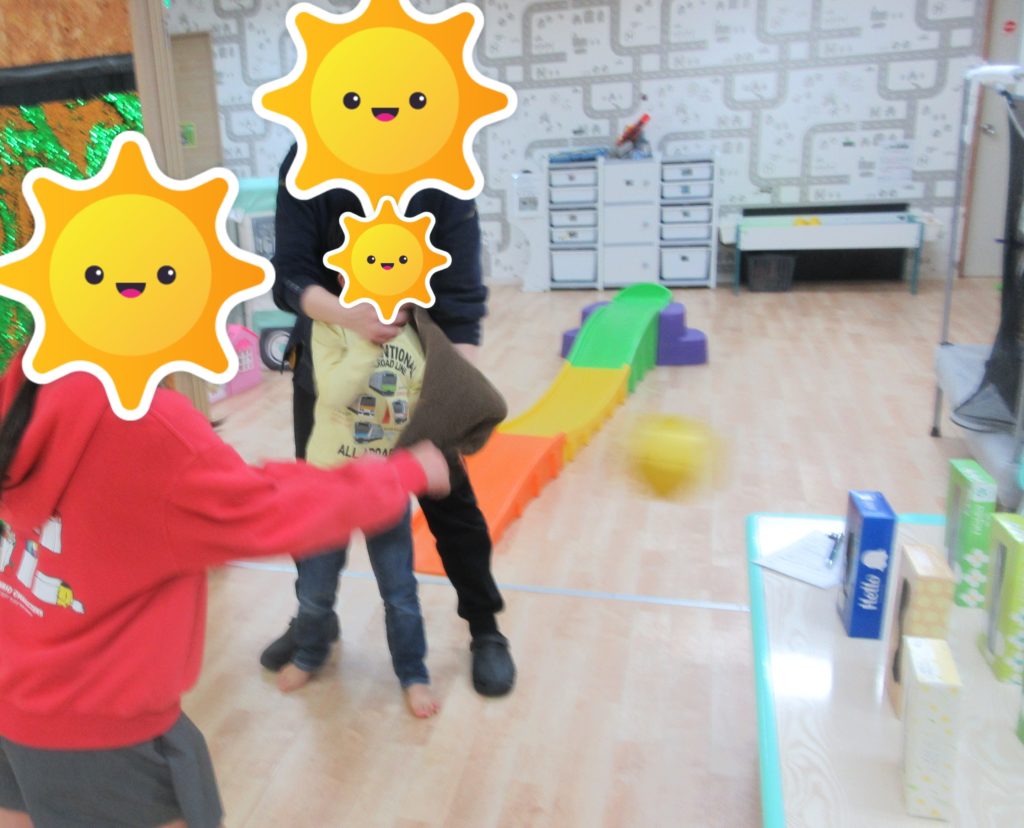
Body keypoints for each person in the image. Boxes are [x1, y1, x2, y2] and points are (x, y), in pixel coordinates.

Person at [0, 352, 450, 828]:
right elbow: (267, 510)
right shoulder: (147, 425)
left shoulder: (27, 380)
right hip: (102, 732)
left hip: (14, 698)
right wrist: (402, 473)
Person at [261, 145, 516, 697]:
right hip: (330, 360)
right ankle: (314, 623)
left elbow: (461, 293)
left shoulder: (439, 156)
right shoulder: (307, 156)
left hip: (418, 362)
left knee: (452, 508)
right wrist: (351, 319)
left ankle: (485, 628)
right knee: (318, 507)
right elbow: (291, 276)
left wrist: (452, 395)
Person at [274, 311, 438, 718]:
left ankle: (413, 672)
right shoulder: (330, 325)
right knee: (315, 590)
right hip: (328, 486)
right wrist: (368, 339)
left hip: (384, 486)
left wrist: (418, 456)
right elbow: (333, 394)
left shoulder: (412, 335)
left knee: (400, 591)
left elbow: (419, 404)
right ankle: (310, 654)